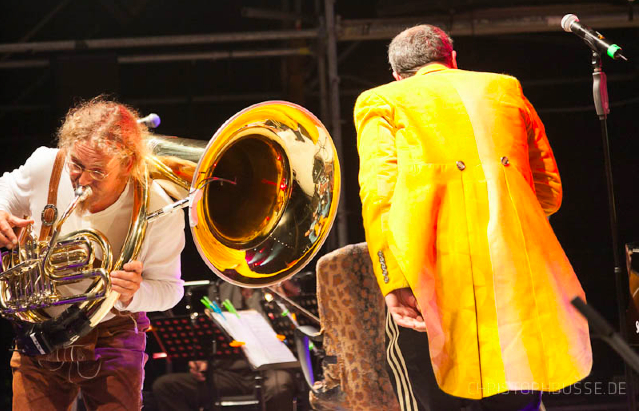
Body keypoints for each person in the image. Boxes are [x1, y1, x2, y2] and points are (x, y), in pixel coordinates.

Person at [353, 25, 592, 410]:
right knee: (517, 394)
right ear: (452, 59)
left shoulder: (381, 101)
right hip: (516, 273)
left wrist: (392, 279)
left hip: (431, 275)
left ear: (397, 75)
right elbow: (549, 191)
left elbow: (379, 198)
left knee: (437, 393)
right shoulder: (505, 87)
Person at [0, 97, 186, 411]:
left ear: (128, 166)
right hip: (40, 332)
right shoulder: (47, 164)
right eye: (77, 165)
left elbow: (171, 290)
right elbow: (7, 188)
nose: (83, 180)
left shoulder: (160, 209)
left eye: (98, 171)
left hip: (112, 336)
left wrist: (134, 293)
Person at [151, 281, 298, 411]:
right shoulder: (218, 290)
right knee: (166, 386)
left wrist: (282, 296)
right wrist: (203, 360)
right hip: (229, 373)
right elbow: (212, 336)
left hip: (270, 370)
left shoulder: (275, 288)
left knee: (279, 386)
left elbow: (293, 329)